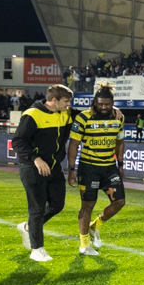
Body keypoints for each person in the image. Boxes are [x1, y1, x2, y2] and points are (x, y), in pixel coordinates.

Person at [12, 84, 77, 263]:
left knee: (57, 205)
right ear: (53, 100)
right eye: (66, 101)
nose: (69, 104)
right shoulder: (32, 115)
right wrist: (35, 158)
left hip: (54, 167)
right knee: (37, 208)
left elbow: (89, 113)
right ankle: (37, 249)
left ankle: (27, 228)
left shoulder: (66, 112)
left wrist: (115, 110)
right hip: (33, 167)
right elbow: (18, 142)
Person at [67, 87, 127, 256]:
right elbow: (73, 144)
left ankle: (95, 226)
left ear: (112, 104)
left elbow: (120, 142)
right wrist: (72, 169)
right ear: (94, 102)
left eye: (107, 104)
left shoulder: (118, 117)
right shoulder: (83, 118)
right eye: (100, 104)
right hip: (89, 168)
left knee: (119, 202)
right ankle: (84, 244)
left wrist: (120, 165)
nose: (103, 107)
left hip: (109, 167)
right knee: (87, 206)